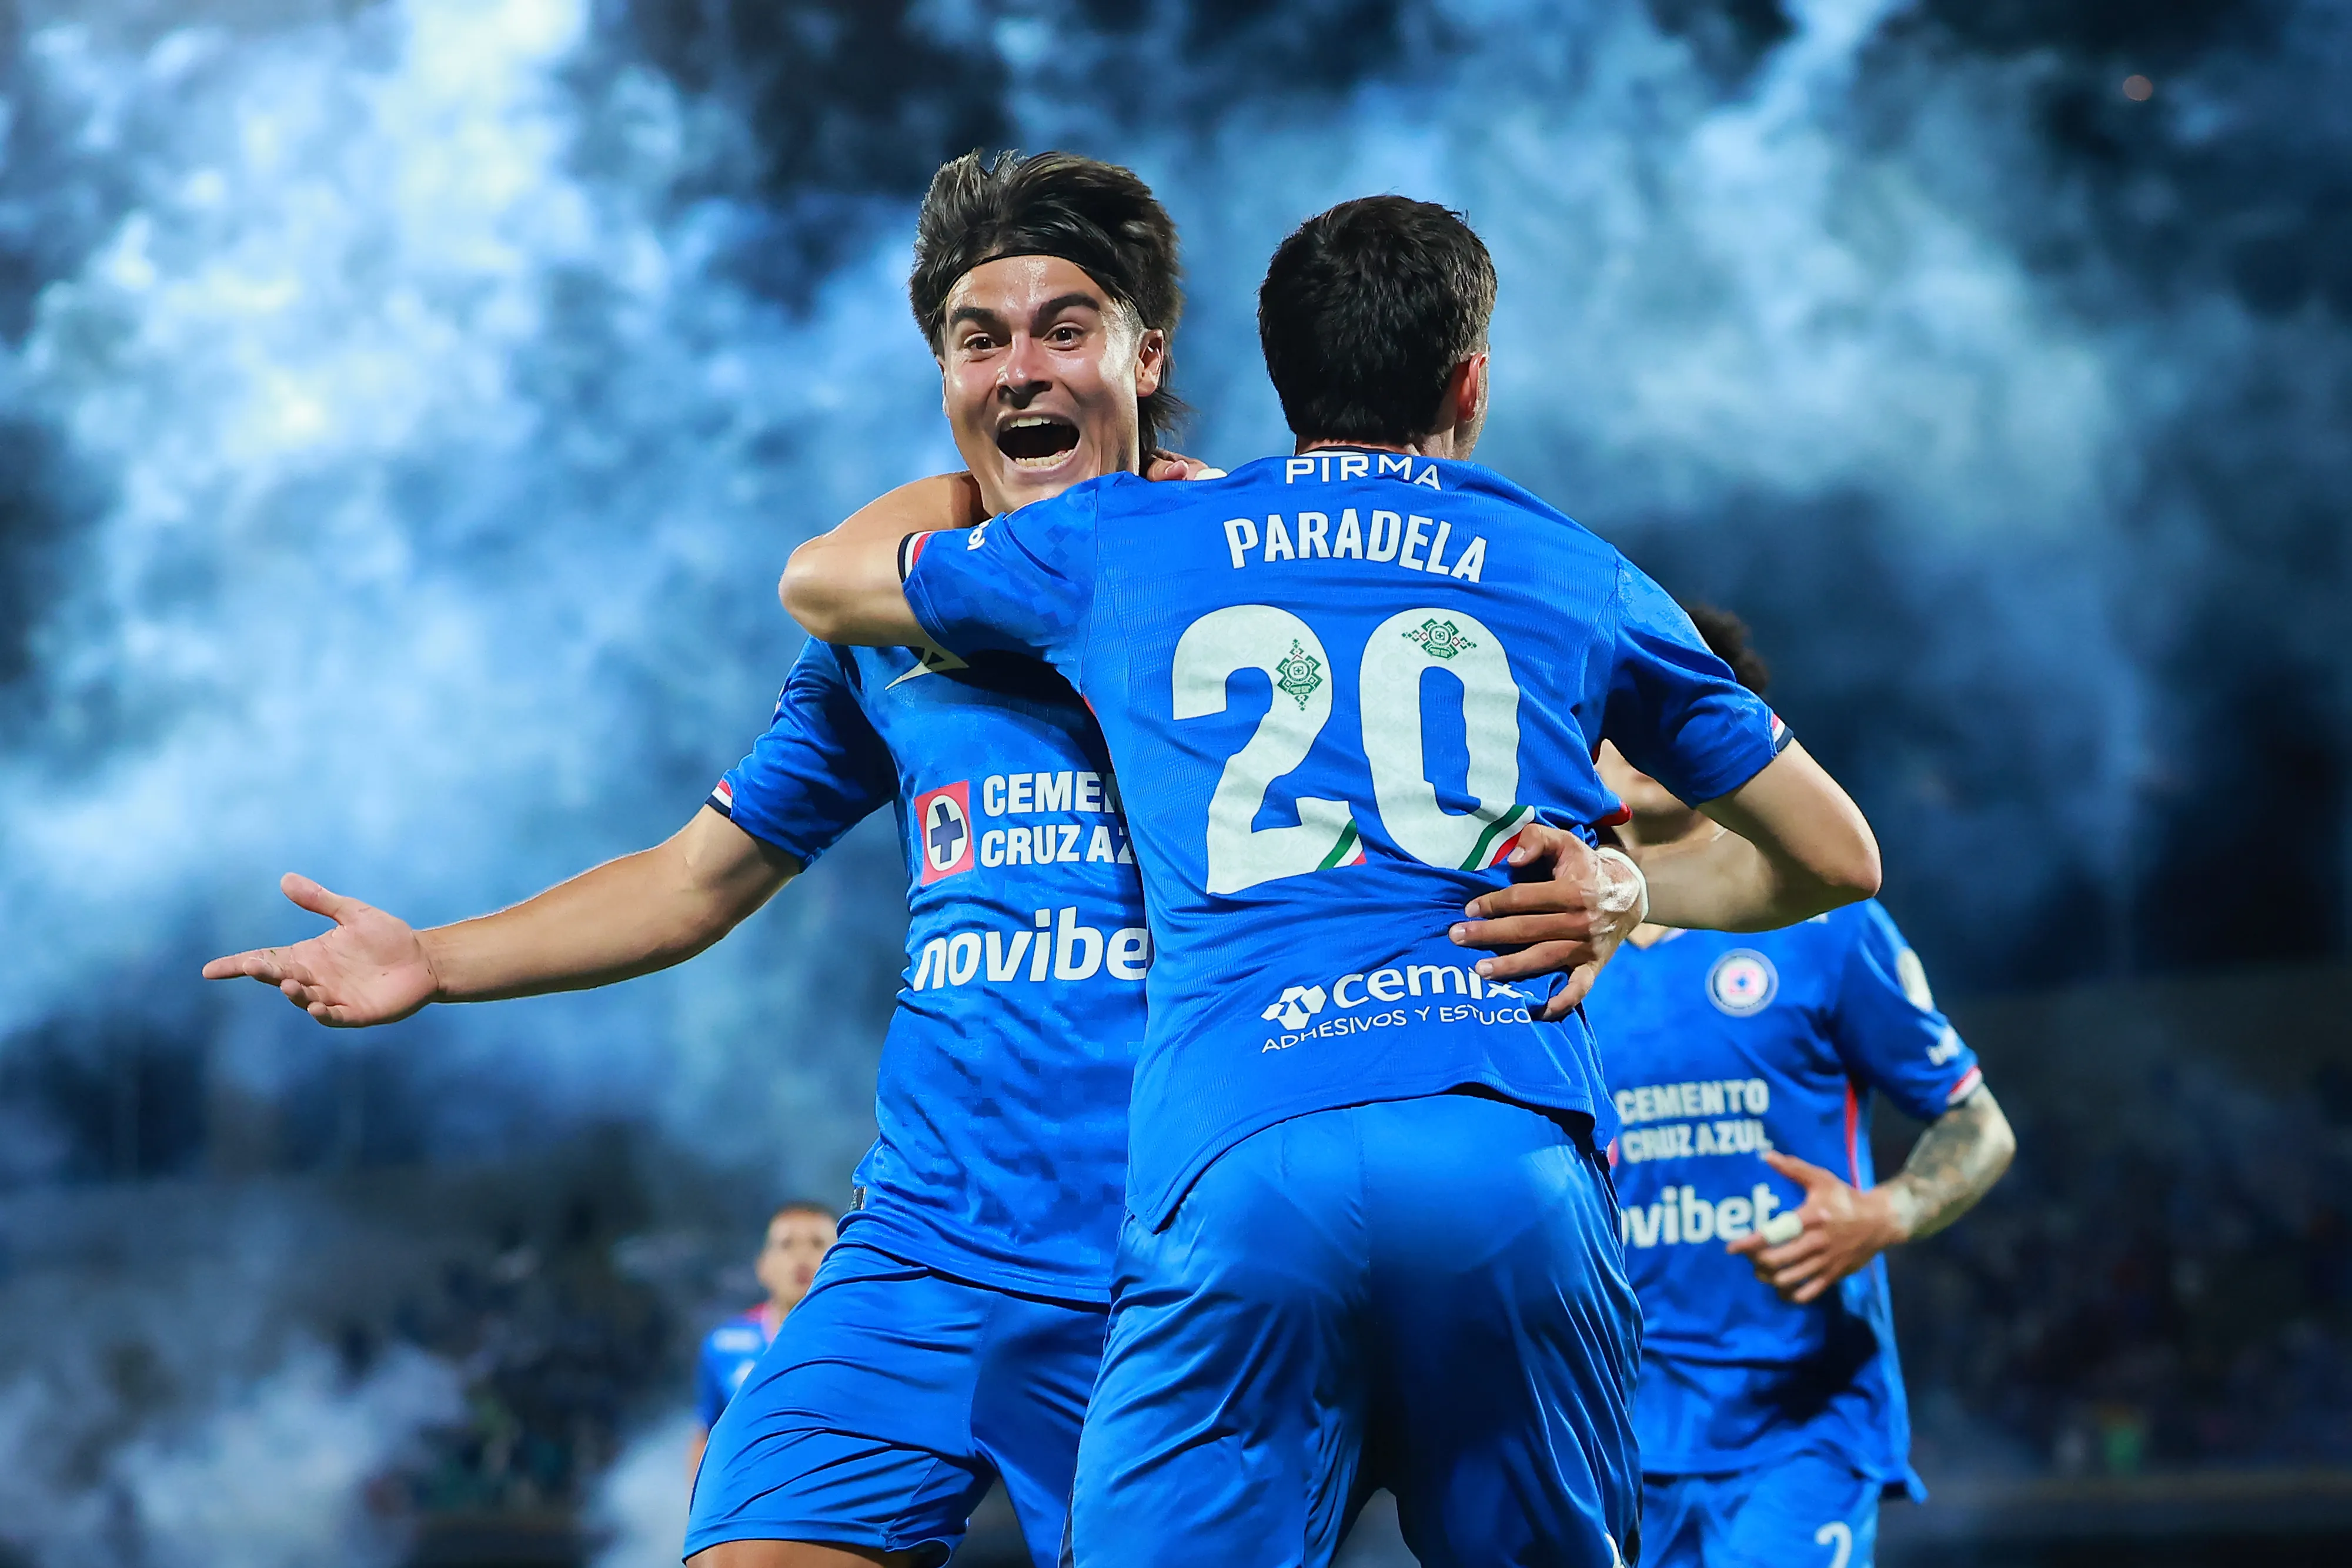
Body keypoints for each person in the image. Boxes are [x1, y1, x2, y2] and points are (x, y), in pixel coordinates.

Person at [204, 156, 1630, 1568]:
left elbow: (1540, 817)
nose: (1019, 371)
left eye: (1063, 329)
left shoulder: (1258, 573)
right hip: (927, 1251)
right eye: (976, 338)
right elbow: (695, 879)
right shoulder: (891, 630)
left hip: (1180, 1264)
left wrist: (1622, 889)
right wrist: (432, 958)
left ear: (1146, 354)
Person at [782, 195, 1884, 1568]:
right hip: (1503, 1145)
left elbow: (824, 589)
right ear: (1468, 384)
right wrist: (1620, 889)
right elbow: (1838, 856)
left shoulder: (1128, 540)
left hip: (1243, 1153)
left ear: (1271, 371)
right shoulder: (1574, 567)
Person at [1581, 605, 2016, 1568]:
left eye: (1676, 711)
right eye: (1624, 710)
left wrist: (1888, 1211)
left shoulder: (1826, 923)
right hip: (1605, 1431)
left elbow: (1977, 1122)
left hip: (1798, 1427)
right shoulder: (1546, 937)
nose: (1643, 738)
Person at [691, 1203, 840, 1481]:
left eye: (817, 1243)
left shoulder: (866, 1347)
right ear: (763, 1266)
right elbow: (706, 1436)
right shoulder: (725, 1345)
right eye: (787, 1245)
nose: (802, 1257)